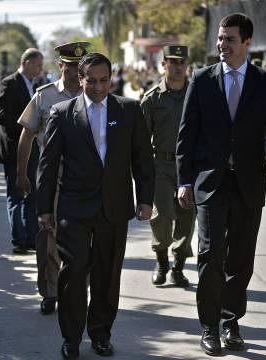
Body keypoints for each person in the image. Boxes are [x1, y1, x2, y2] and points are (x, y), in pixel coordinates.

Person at [176, 13, 266, 356]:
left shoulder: (265, 83)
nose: (222, 45)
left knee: (241, 258)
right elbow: (187, 134)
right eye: (220, 39)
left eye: (229, 40)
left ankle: (230, 321)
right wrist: (183, 181)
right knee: (210, 256)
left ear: (247, 43)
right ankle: (209, 326)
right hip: (210, 184)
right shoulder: (202, 79)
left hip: (249, 184)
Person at [37, 52, 155, 359]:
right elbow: (47, 165)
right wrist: (44, 208)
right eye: (92, 81)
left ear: (111, 79)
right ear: (80, 79)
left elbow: (142, 158)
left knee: (107, 274)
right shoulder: (62, 112)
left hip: (114, 208)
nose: (99, 87)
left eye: (104, 81)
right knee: (73, 271)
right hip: (74, 208)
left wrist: (145, 199)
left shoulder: (129, 110)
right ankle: (71, 338)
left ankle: (101, 334)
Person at [17, 42, 89, 315]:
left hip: (85, 180)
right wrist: (21, 173)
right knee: (49, 238)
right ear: (60, 66)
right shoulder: (44, 96)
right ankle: (49, 292)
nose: (75, 71)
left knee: (83, 238)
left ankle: (78, 290)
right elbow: (27, 136)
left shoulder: (93, 93)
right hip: (52, 179)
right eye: (70, 66)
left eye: (79, 67)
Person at [140, 45, 195, 287]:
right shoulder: (152, 98)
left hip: (190, 165)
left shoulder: (197, 93)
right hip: (161, 164)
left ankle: (178, 267)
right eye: (172, 62)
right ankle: (161, 262)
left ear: (187, 65)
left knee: (187, 215)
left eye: (181, 62)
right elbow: (141, 141)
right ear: (163, 65)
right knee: (161, 214)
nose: (177, 67)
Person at [0, 48, 43, 254]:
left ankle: (31, 237)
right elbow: (2, 116)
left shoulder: (38, 86)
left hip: (34, 148)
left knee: (32, 193)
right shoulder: (9, 83)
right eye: (38, 65)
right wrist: (28, 128)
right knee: (16, 193)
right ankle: (18, 239)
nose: (40, 69)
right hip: (14, 148)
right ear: (27, 62)